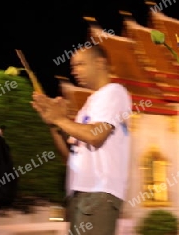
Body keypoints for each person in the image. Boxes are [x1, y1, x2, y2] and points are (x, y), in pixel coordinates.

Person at [32, 44, 132, 235]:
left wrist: (60, 119)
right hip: (79, 193)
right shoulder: (88, 105)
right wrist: (54, 125)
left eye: (80, 64)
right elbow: (69, 159)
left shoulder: (114, 92)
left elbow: (96, 136)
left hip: (99, 193)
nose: (74, 71)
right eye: (73, 67)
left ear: (99, 63)